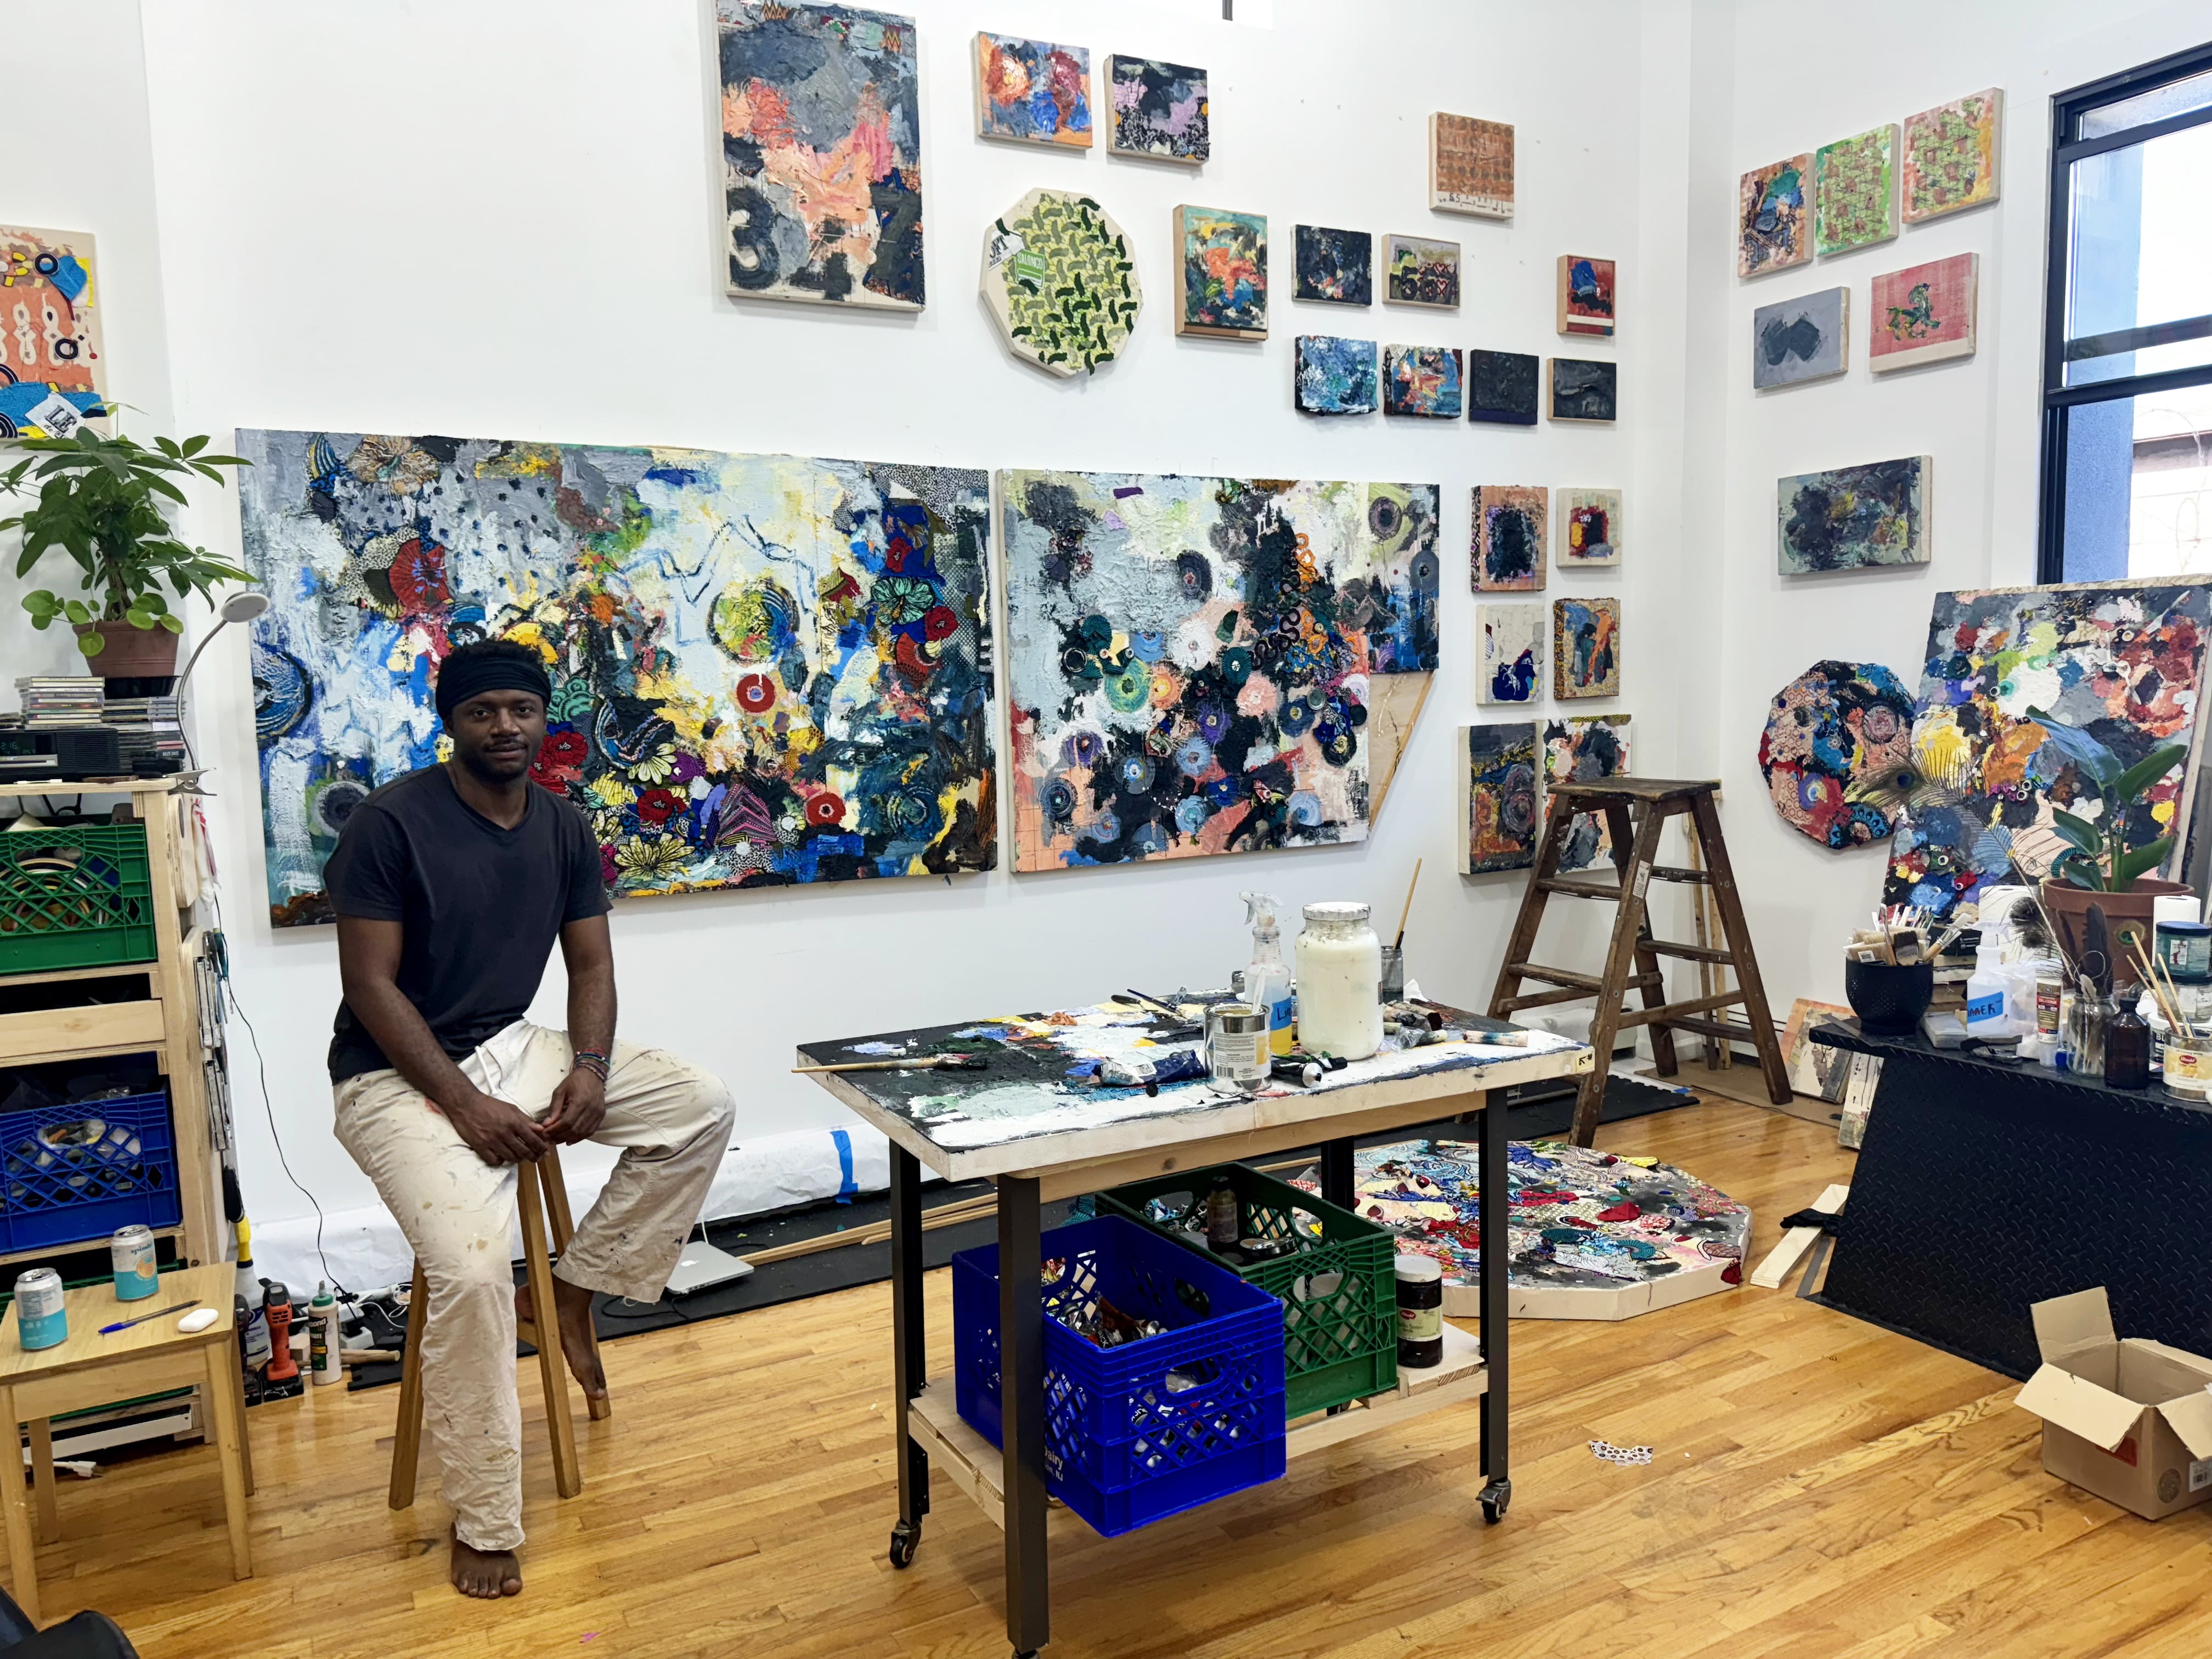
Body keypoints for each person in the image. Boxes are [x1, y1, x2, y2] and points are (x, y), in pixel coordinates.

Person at [325, 638, 735, 1599]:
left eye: (520, 709)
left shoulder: (559, 825)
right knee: (468, 1270)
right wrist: (463, 1105)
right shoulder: (390, 825)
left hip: (514, 1043)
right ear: (452, 722)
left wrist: (590, 1069)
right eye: (482, 712)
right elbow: (369, 987)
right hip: (390, 1075)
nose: (504, 727)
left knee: (699, 1104)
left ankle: (572, 1294)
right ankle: (483, 1518)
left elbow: (591, 967)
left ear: (543, 717)